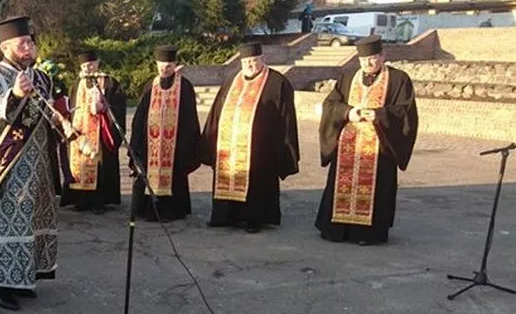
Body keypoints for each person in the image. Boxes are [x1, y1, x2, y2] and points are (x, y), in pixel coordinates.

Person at [0, 16, 77, 311]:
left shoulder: (42, 78)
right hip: (8, 164)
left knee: (31, 222)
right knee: (6, 223)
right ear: (6, 46)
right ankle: (1, 285)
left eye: (31, 41)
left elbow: (49, 115)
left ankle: (23, 278)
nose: (29, 46)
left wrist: (68, 126)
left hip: (38, 165)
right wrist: (14, 95)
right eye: (23, 42)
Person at [315, 36, 419, 245]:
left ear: (382, 57)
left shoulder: (399, 79)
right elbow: (331, 104)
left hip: (379, 148)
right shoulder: (348, 77)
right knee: (341, 186)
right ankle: (338, 230)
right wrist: (347, 112)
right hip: (348, 146)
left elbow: (405, 112)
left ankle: (368, 234)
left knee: (376, 190)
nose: (368, 64)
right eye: (363, 60)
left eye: (372, 59)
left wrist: (380, 116)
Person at [199, 43, 300, 233]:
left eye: (254, 61)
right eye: (246, 61)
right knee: (227, 178)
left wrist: (284, 147)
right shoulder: (232, 81)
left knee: (257, 183)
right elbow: (217, 111)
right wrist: (210, 140)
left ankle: (255, 219)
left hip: (261, 148)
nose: (250, 65)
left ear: (262, 59)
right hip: (229, 147)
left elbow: (286, 117)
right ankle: (224, 216)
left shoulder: (278, 82)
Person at [127, 45, 202, 221]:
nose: (164, 69)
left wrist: (187, 145)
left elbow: (190, 118)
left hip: (175, 143)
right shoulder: (149, 86)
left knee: (174, 175)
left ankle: (171, 211)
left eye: (168, 66)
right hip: (150, 143)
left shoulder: (185, 86)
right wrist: (136, 141)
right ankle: (147, 209)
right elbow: (140, 116)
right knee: (147, 173)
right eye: (161, 65)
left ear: (175, 65)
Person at [60, 49, 126, 214]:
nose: (87, 68)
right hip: (79, 133)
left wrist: (104, 108)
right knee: (79, 166)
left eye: (90, 64)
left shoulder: (109, 82)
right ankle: (80, 200)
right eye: (84, 65)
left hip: (99, 133)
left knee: (100, 165)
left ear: (97, 63)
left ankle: (99, 201)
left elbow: (118, 106)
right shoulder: (76, 84)